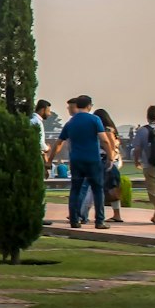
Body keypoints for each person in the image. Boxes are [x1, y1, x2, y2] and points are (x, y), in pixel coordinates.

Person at [46, 96, 109, 229]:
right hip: (92, 159)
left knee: (75, 189)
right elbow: (104, 140)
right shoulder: (94, 119)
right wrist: (110, 156)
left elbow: (58, 143)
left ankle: (74, 220)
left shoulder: (70, 123)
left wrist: (50, 160)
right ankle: (99, 221)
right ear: (89, 106)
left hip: (76, 160)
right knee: (97, 190)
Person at [97, 109, 125, 224]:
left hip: (109, 160)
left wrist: (110, 160)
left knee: (109, 187)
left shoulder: (107, 131)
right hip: (113, 160)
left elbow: (111, 147)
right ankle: (116, 214)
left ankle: (115, 214)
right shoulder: (113, 130)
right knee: (110, 187)